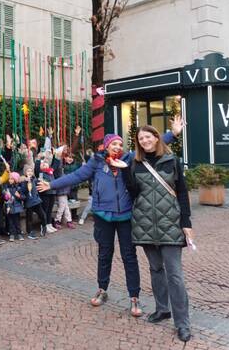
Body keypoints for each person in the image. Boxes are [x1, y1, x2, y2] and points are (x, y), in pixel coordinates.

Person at [37, 116, 184, 318]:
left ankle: (134, 297)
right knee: (104, 255)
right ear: (106, 146)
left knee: (129, 257)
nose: (117, 147)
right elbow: (77, 176)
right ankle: (102, 289)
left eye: (120, 144)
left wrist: (173, 133)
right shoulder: (96, 162)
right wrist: (52, 184)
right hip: (103, 216)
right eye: (114, 143)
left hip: (125, 216)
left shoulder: (129, 159)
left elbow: (152, 144)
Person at [113, 125, 194, 343]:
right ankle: (162, 309)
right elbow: (134, 192)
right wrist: (123, 170)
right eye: (141, 138)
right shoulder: (135, 164)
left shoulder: (172, 160)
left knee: (175, 275)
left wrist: (186, 221)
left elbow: (183, 192)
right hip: (145, 225)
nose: (145, 141)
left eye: (148, 137)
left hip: (170, 224)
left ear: (157, 138)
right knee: (156, 269)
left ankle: (182, 323)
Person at [21, 164, 46, 239]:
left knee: (43, 215)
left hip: (36, 201)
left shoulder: (34, 179)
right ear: (25, 172)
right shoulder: (23, 181)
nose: (30, 172)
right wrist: (26, 182)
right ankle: (30, 232)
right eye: (28, 171)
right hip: (29, 203)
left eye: (31, 171)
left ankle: (43, 226)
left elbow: (40, 180)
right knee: (29, 218)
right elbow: (23, 191)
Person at [5, 172, 25, 241]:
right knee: (10, 222)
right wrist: (6, 196)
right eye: (9, 179)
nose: (10, 180)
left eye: (12, 179)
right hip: (9, 207)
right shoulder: (7, 188)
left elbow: (23, 197)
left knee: (17, 222)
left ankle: (19, 234)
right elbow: (4, 198)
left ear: (15, 180)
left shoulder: (18, 188)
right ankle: (12, 234)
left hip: (17, 208)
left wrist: (19, 196)